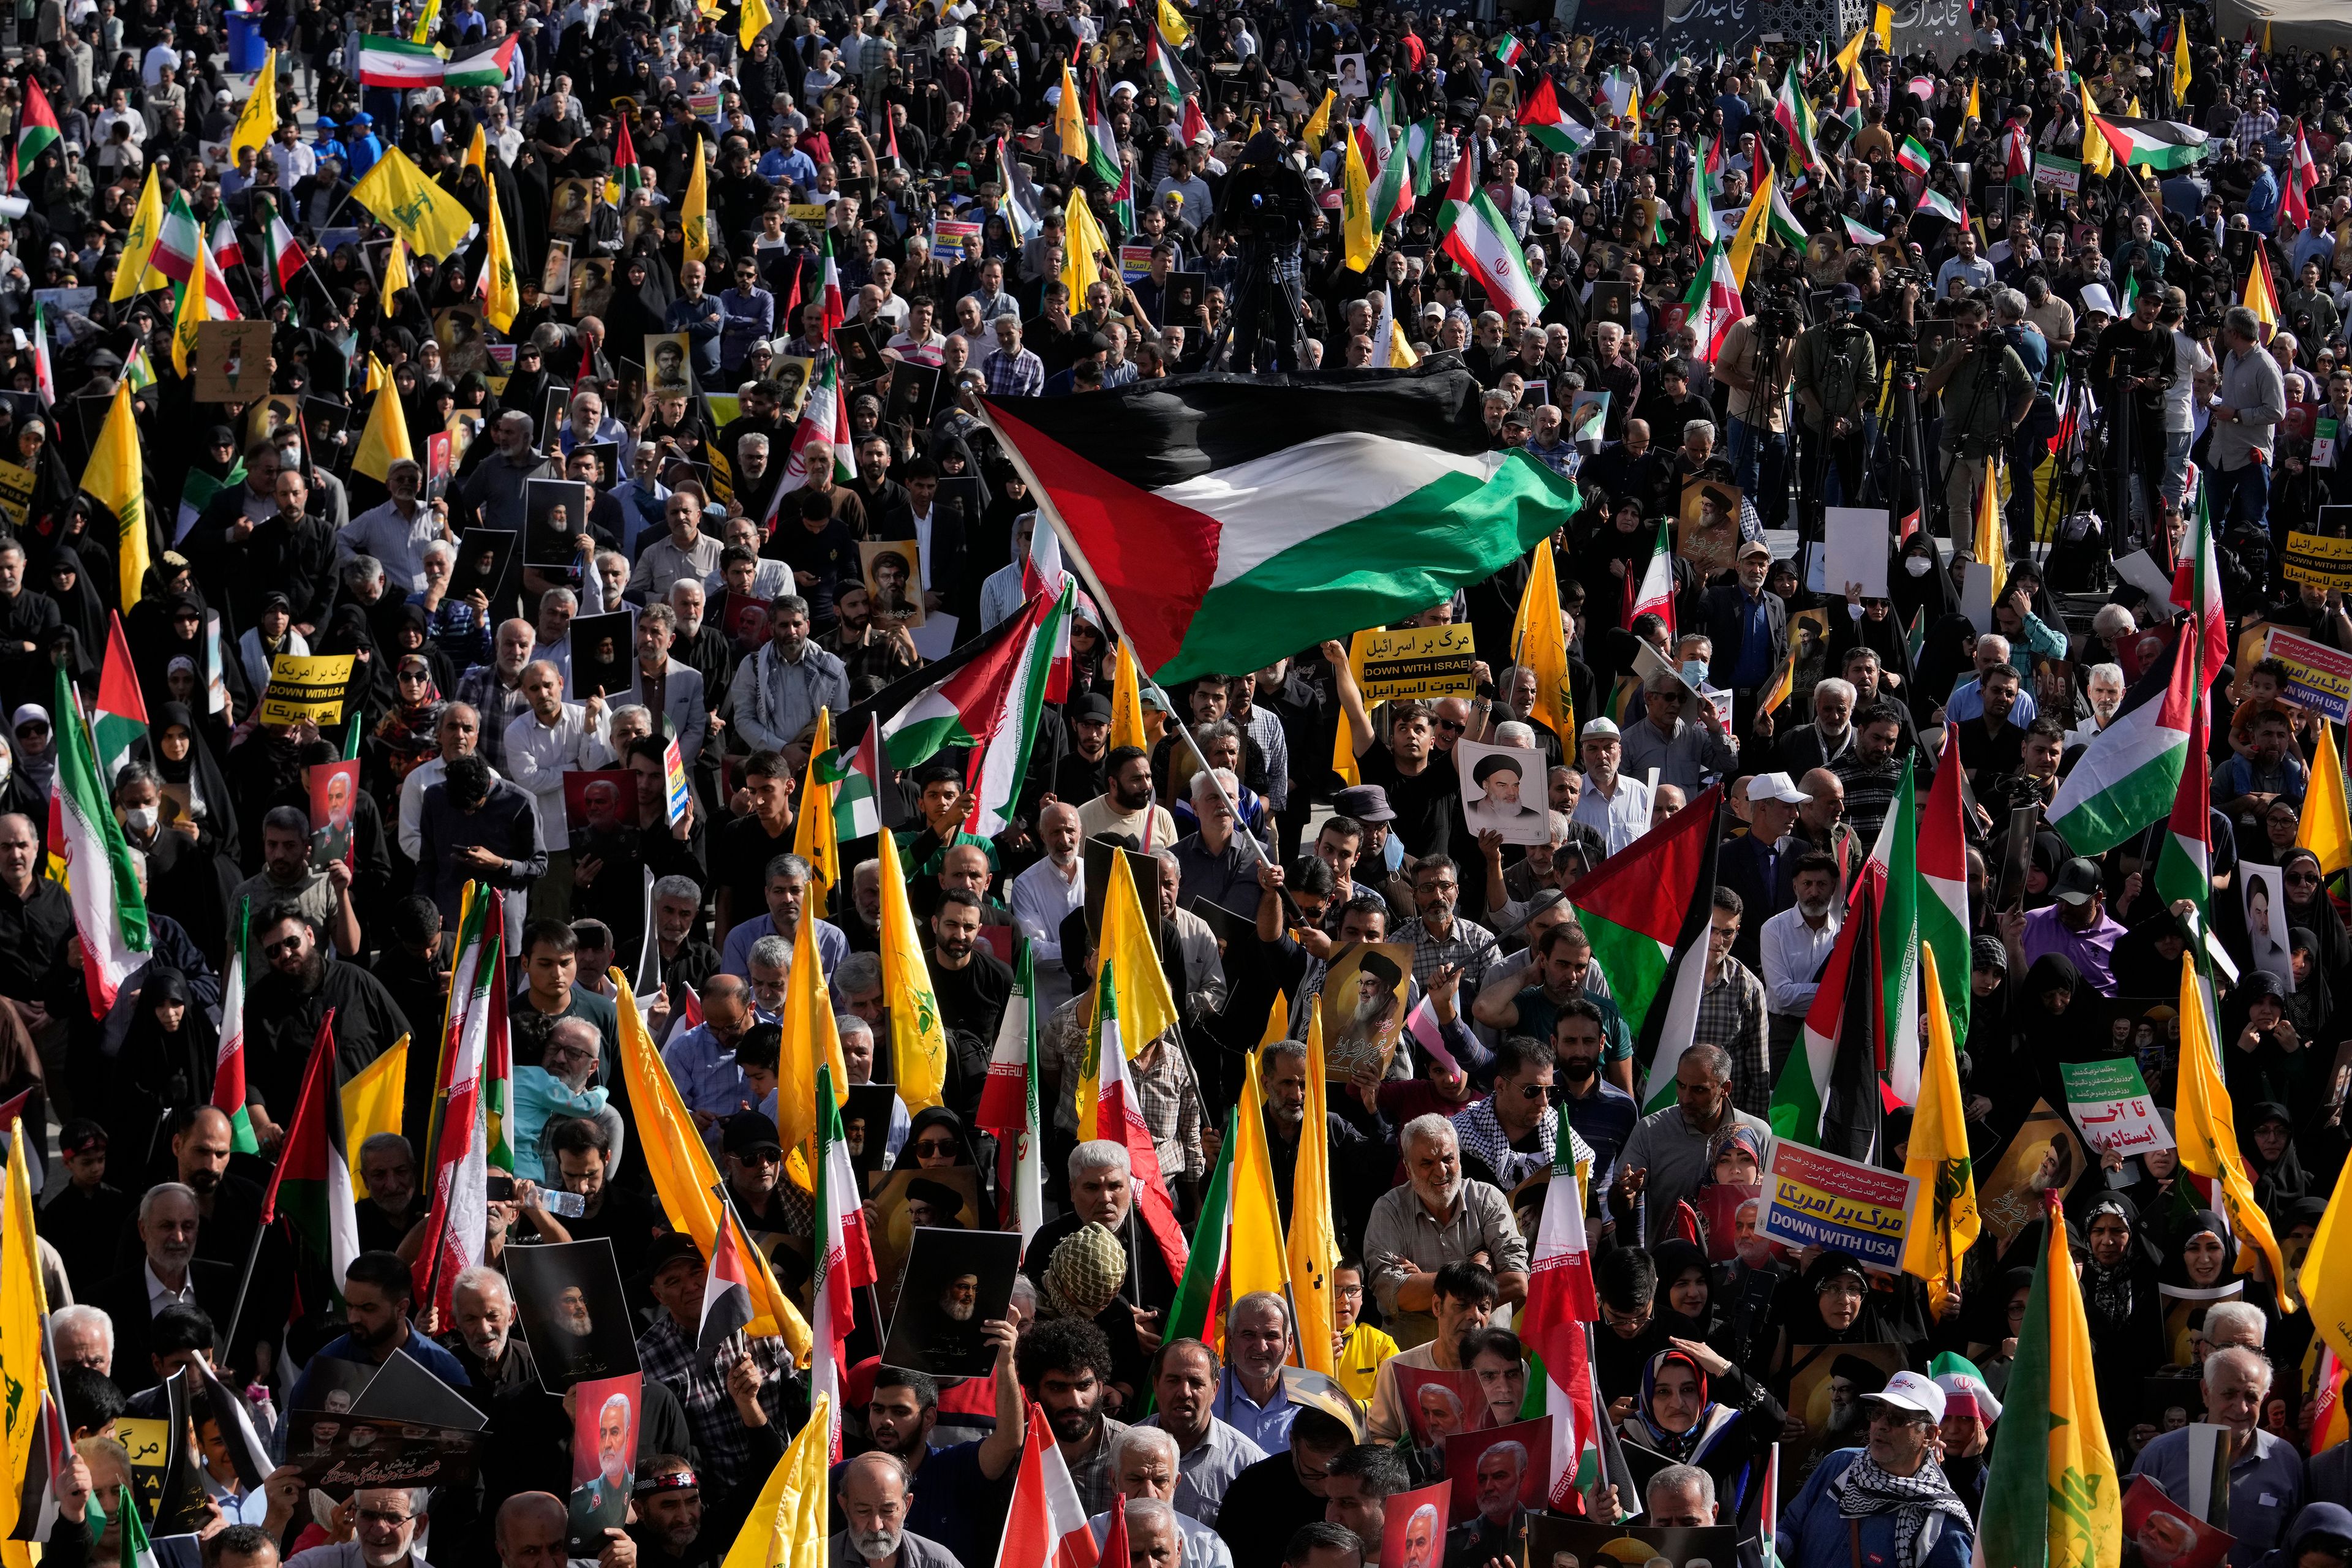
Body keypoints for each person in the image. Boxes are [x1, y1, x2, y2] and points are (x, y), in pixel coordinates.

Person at [1776, 1371, 1973, 1568]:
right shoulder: (1839, 1465)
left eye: (1897, 1418)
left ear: (1929, 1435)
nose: (1881, 1425)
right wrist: (1771, 1549)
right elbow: (1790, 1527)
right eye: (1877, 1413)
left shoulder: (1940, 1526)